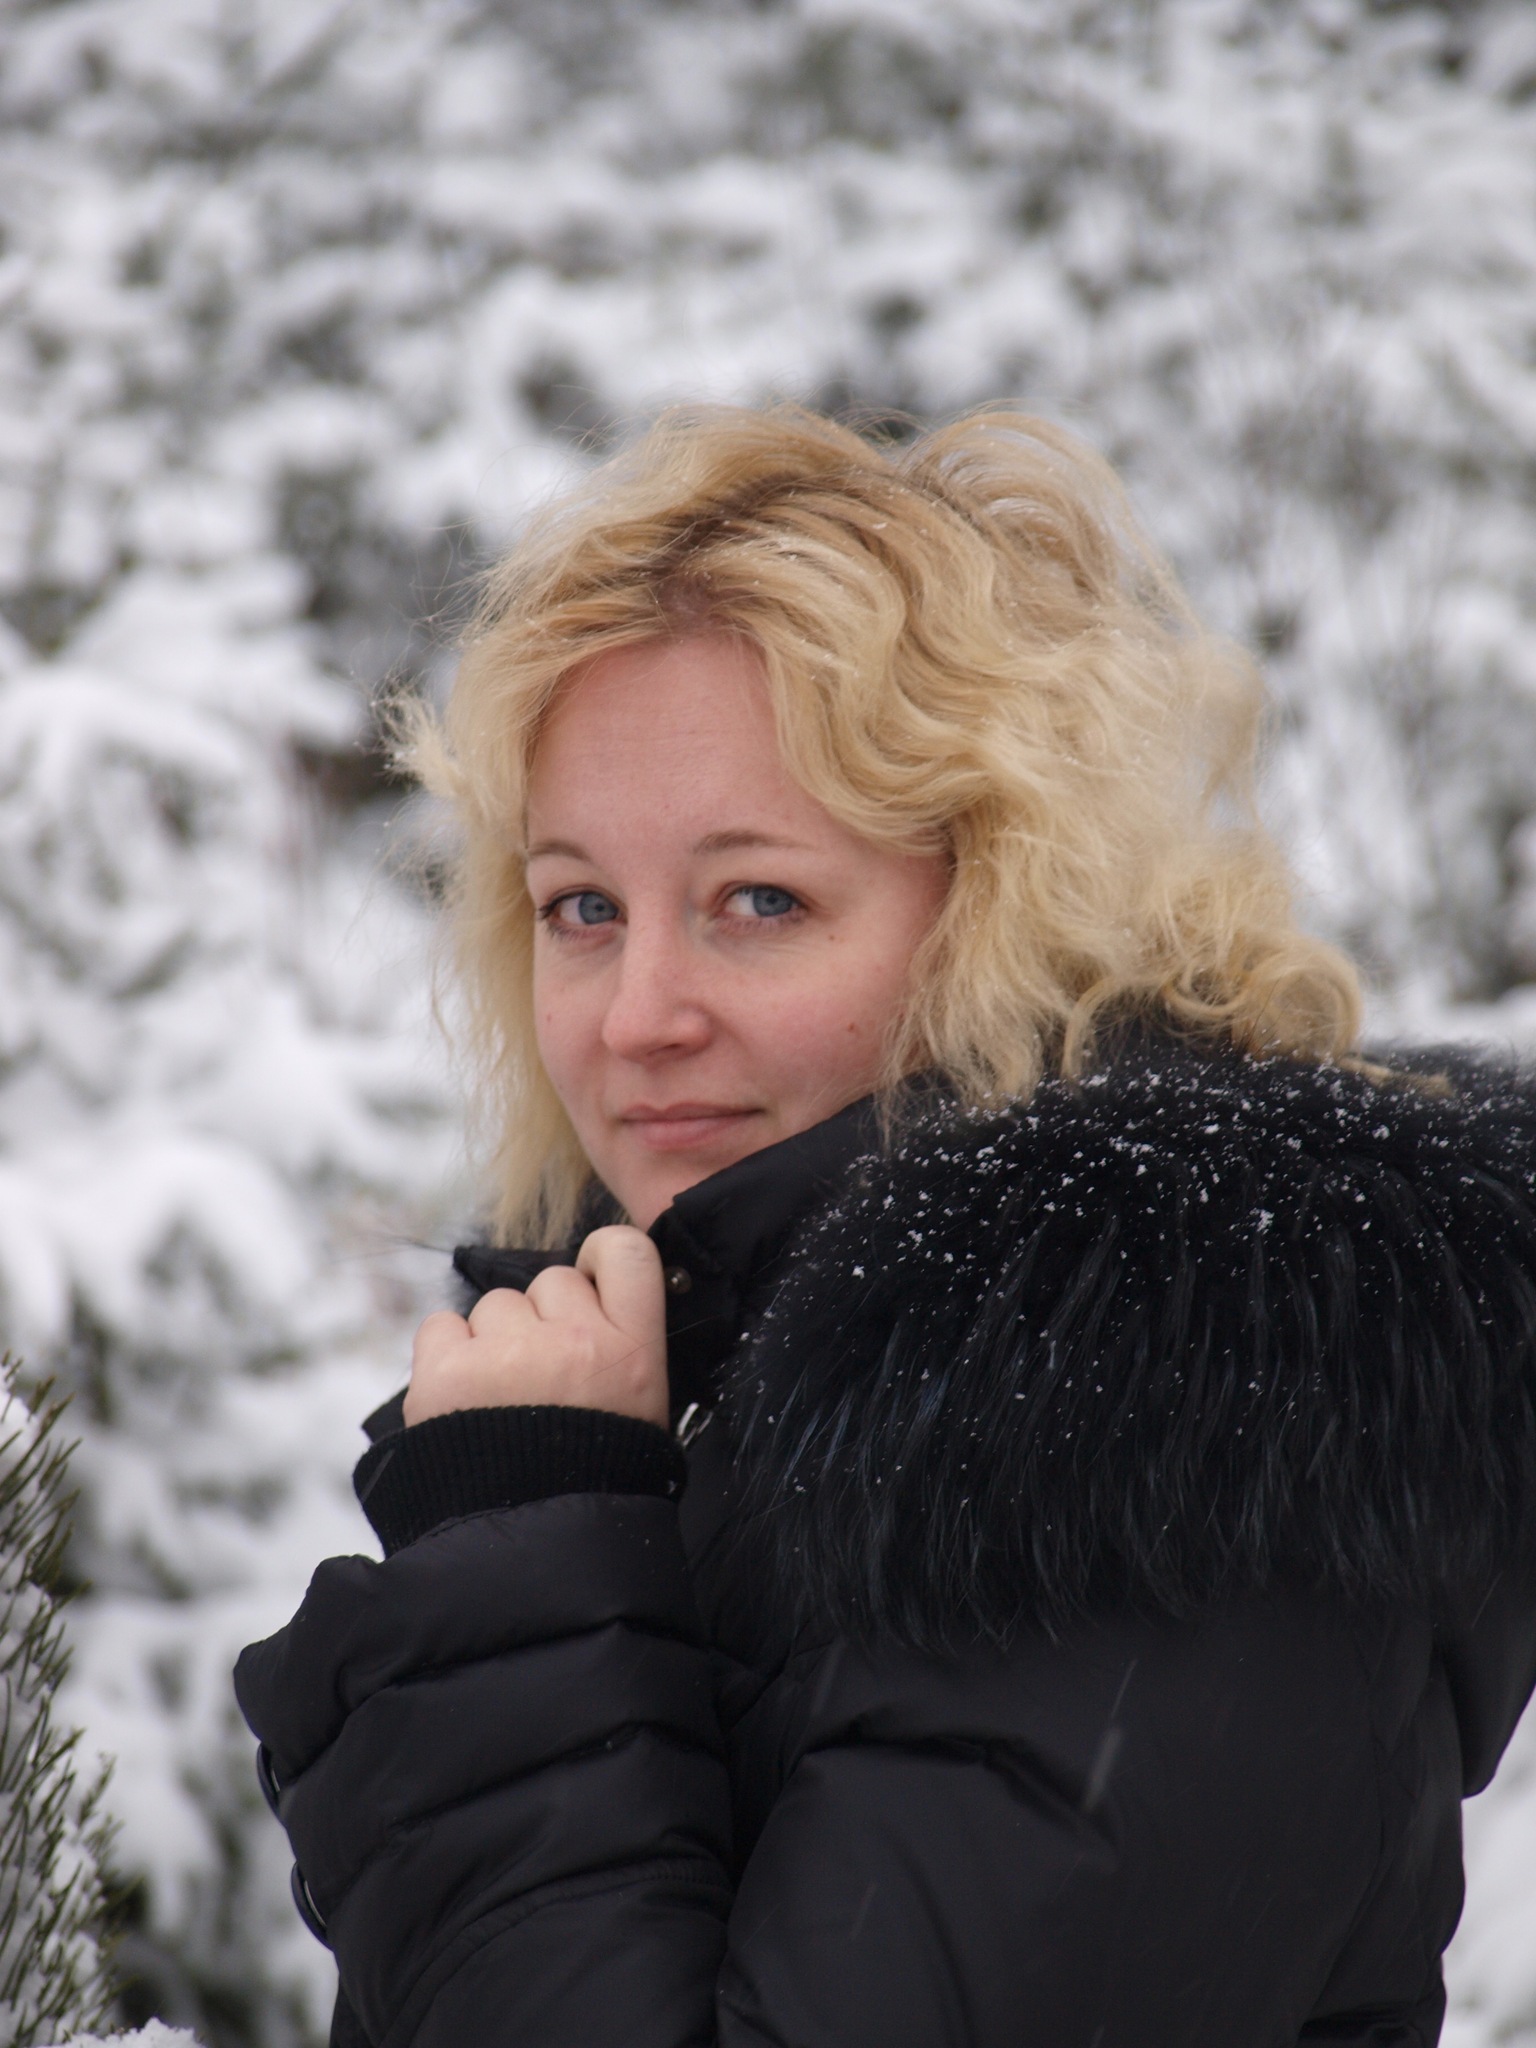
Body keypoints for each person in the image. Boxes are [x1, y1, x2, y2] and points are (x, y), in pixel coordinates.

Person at [235, 406, 1536, 2048]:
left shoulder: (1161, 1436)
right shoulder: (742, 1379)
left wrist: (523, 1553)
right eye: (583, 906)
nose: (636, 1016)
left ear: (1008, 906)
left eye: (759, 900)